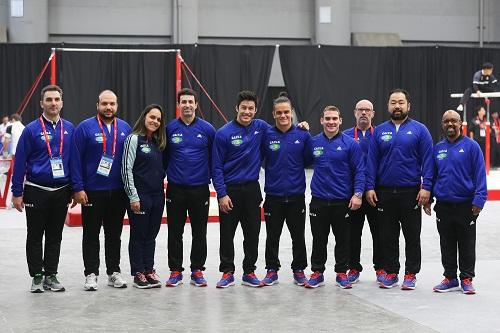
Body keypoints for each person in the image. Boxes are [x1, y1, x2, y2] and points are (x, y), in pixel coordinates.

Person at [366, 88, 433, 290]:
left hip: (411, 192)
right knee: (387, 235)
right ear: (388, 106)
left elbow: (428, 160)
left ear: (408, 106)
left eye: (401, 102)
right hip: (384, 192)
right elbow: (371, 161)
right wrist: (369, 186)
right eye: (393, 102)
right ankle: (391, 271)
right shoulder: (379, 131)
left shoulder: (420, 130)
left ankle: (411, 273)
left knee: (412, 235)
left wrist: (427, 187)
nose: (397, 106)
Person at [11, 85, 74, 293]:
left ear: (62, 103)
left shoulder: (70, 128)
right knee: (35, 235)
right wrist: (17, 192)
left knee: (55, 235)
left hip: (62, 190)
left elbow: (74, 161)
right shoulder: (31, 130)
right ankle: (37, 276)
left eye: (57, 99)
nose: (53, 103)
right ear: (41, 103)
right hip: (36, 189)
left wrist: (74, 188)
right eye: (49, 100)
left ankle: (51, 275)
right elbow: (20, 162)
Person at [71, 90, 131, 291]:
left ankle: (113, 272)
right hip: (92, 191)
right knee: (91, 234)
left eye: (112, 104)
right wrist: (78, 188)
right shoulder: (84, 128)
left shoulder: (125, 128)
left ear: (117, 105)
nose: (109, 107)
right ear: (97, 105)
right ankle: (91, 273)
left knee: (114, 234)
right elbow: (75, 160)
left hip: (118, 191)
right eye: (105, 104)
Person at [212, 90, 270, 288]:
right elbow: (216, 167)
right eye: (243, 108)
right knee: (227, 234)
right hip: (230, 190)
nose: (247, 111)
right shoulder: (223, 133)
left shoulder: (261, 127)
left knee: (252, 233)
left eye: (251, 108)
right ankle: (227, 271)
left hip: (252, 189)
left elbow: (283, 131)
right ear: (237, 108)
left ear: (255, 110)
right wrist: (221, 194)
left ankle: (249, 271)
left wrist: (301, 128)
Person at [425, 110, 487, 295]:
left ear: (461, 124)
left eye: (454, 121)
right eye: (446, 121)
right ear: (442, 124)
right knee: (447, 242)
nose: (450, 124)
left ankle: (467, 278)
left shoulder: (472, 147)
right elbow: (432, 175)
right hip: (443, 206)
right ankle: (450, 277)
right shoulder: (438, 148)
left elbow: (480, 175)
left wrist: (479, 199)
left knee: (466, 243)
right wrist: (429, 199)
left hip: (466, 206)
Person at [305, 105, 365, 289]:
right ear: (322, 121)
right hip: (319, 200)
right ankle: (317, 272)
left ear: (340, 121)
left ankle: (341, 272)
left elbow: (360, 171)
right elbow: (303, 161)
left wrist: (358, 194)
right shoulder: (313, 143)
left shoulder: (351, 144)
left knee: (343, 239)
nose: (331, 122)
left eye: (334, 119)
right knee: (319, 239)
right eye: (327, 119)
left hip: (342, 201)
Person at [164, 88, 216, 287]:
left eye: (190, 102)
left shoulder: (208, 129)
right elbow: (165, 157)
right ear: (178, 105)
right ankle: (175, 270)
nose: (187, 105)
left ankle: (197, 270)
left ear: (196, 105)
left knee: (199, 231)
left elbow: (214, 158)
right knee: (175, 232)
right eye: (183, 102)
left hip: (199, 189)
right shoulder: (169, 129)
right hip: (175, 189)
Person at [260, 92, 312, 287]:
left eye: (286, 112)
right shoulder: (267, 135)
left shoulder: (303, 134)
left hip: (296, 196)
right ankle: (271, 270)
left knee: (298, 236)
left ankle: (299, 270)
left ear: (292, 113)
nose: (283, 116)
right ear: (273, 114)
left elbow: (309, 160)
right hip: (273, 196)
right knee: (272, 237)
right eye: (279, 113)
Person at [122, 104, 167, 289]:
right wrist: (133, 196)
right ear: (144, 117)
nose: (155, 121)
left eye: (158, 119)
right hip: (139, 196)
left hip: (157, 196)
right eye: (152, 117)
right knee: (139, 235)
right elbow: (126, 169)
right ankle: (138, 272)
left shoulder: (158, 142)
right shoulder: (133, 139)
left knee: (151, 234)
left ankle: (149, 269)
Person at [343, 99, 384, 284]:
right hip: (354, 194)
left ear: (373, 113)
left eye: (368, 110)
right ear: (354, 112)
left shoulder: (381, 135)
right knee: (352, 233)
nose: (364, 113)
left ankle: (381, 267)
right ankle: (353, 267)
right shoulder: (345, 136)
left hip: (375, 193)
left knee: (380, 232)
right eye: (361, 110)